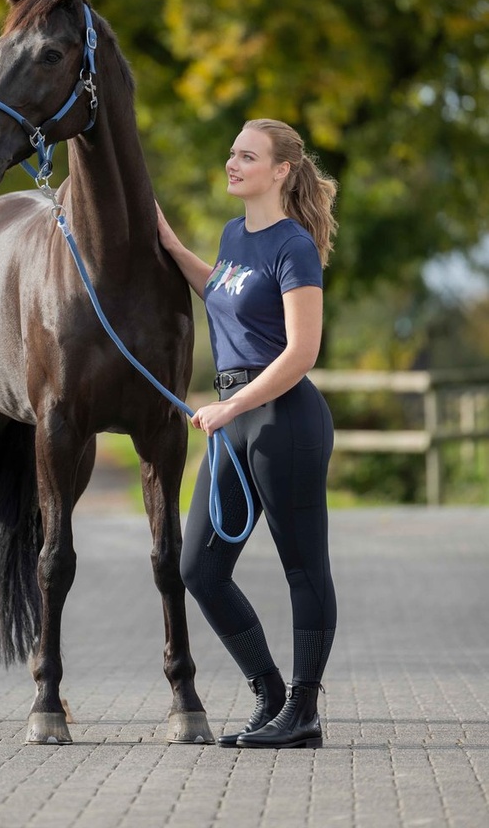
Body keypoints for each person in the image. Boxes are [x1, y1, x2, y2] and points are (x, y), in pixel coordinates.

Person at [156, 118, 338, 749]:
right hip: (235, 421)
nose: (231, 163)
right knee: (199, 568)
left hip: (284, 419)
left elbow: (302, 352)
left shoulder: (295, 247)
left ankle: (305, 711)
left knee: (303, 569)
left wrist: (231, 409)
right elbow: (221, 293)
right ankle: (268, 694)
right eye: (230, 152)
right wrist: (169, 243)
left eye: (246, 155)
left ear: (281, 171)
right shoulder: (236, 235)